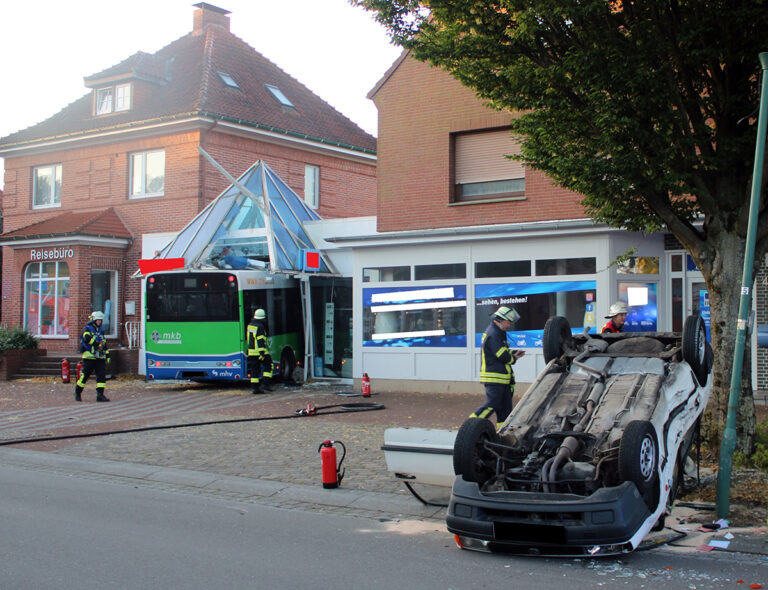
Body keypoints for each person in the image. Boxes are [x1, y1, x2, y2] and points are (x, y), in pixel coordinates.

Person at [470, 306, 525, 428]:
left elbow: (500, 353)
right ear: (500, 320)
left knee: (505, 409)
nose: (509, 325)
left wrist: (512, 353)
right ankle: (470, 424)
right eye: (508, 322)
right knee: (492, 404)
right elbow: (502, 356)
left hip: (502, 379)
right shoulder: (494, 333)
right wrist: (514, 358)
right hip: (495, 378)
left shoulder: (498, 332)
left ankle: (502, 433)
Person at [74, 311, 110, 402]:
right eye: (98, 320)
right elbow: (86, 339)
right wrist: (96, 344)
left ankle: (100, 395)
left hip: (100, 357)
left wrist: (107, 354)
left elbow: (104, 343)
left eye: (101, 320)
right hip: (89, 357)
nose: (100, 322)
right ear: (93, 320)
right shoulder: (87, 329)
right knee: (85, 376)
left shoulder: (100, 331)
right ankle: (77, 392)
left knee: (101, 376)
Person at [247, 308, 273, 394]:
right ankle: (265, 384)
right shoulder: (260, 326)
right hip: (259, 352)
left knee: (255, 370)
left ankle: (255, 388)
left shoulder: (250, 325)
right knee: (269, 365)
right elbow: (260, 340)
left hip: (251, 351)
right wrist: (262, 353)